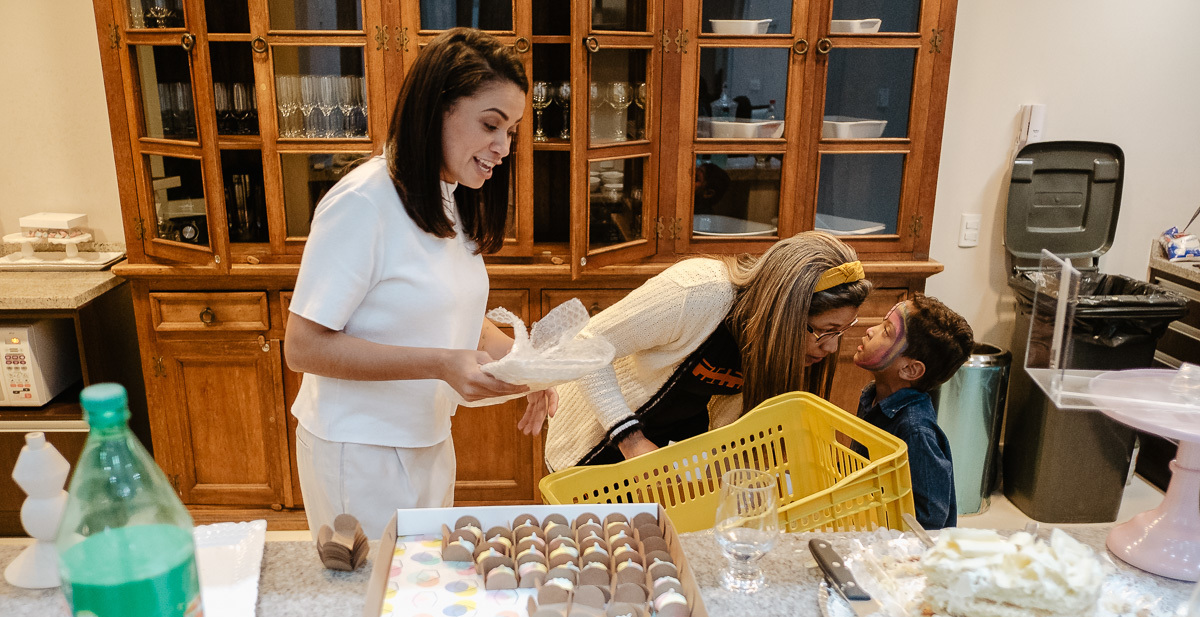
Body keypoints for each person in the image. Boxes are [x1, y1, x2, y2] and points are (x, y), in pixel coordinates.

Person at [284, 28, 556, 542]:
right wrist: (439, 363)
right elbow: (302, 347)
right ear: (439, 110)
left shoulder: (449, 195)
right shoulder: (363, 203)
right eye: (491, 125)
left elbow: (451, 318)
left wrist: (535, 368)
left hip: (428, 439)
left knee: (421, 591)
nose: (503, 147)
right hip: (359, 452)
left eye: (513, 130)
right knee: (369, 603)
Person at [545, 231, 872, 470]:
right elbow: (588, 343)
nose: (830, 347)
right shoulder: (698, 292)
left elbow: (730, 429)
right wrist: (631, 442)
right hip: (593, 443)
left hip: (658, 460)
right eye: (824, 331)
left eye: (840, 332)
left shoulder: (767, 340)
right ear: (783, 313)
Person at [852, 294, 974, 530]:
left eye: (886, 331)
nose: (870, 330)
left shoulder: (915, 430)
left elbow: (932, 516)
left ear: (910, 369)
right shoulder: (872, 396)